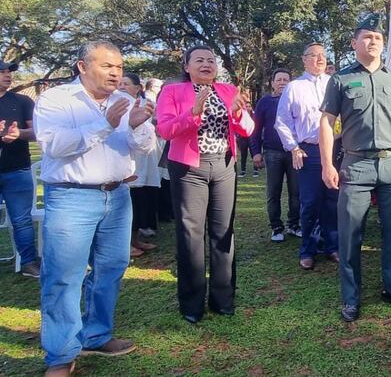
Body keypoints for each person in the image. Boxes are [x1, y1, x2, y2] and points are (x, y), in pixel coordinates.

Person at [35, 41, 156, 376]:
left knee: (111, 268)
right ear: (82, 66)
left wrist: (136, 125)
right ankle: (60, 356)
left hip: (117, 196)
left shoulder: (125, 101)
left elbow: (145, 148)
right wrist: (104, 125)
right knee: (64, 277)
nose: (115, 73)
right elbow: (55, 145)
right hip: (72, 197)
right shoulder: (56, 100)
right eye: (107, 66)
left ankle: (96, 334)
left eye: (119, 66)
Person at [319, 13, 391, 322]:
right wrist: (326, 164)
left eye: (377, 38)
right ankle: (351, 298)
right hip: (356, 165)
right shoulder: (341, 79)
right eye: (366, 37)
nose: (373, 41)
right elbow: (327, 122)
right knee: (351, 235)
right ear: (354, 43)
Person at [156, 45, 254, 324]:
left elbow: (248, 129)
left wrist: (237, 113)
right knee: (191, 234)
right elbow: (164, 130)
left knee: (224, 233)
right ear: (186, 66)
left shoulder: (227, 90)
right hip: (189, 168)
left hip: (223, 166)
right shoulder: (173, 92)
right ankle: (192, 303)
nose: (207, 64)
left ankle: (223, 300)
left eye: (211, 60)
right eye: (199, 60)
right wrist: (193, 113)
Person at [275, 43, 339, 270]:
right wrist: (293, 147)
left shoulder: (335, 83)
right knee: (310, 201)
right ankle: (308, 249)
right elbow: (282, 120)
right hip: (309, 150)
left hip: (335, 148)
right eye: (314, 55)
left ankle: (332, 246)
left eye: (323, 55)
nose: (320, 59)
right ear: (304, 60)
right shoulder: (294, 87)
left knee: (333, 199)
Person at [250, 68, 301, 242]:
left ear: (290, 82)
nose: (282, 83)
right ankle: (276, 228)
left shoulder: (297, 100)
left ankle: (294, 225)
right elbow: (255, 130)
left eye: (285, 80)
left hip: (294, 152)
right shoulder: (265, 102)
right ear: (272, 83)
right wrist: (256, 152)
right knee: (274, 192)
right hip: (272, 153)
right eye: (278, 80)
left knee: (296, 192)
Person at [0, 61, 39, 277]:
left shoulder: (22, 101)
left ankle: (29, 262)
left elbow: (35, 132)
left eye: (9, 72)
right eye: (2, 72)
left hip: (17, 170)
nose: (7, 76)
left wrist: (18, 134)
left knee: (22, 220)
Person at [118, 73, 161, 257]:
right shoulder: (116, 106)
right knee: (127, 203)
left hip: (144, 160)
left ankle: (135, 239)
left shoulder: (146, 105)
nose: (121, 87)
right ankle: (124, 244)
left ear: (138, 88)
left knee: (140, 201)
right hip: (124, 162)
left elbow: (153, 130)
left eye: (126, 84)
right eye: (119, 84)